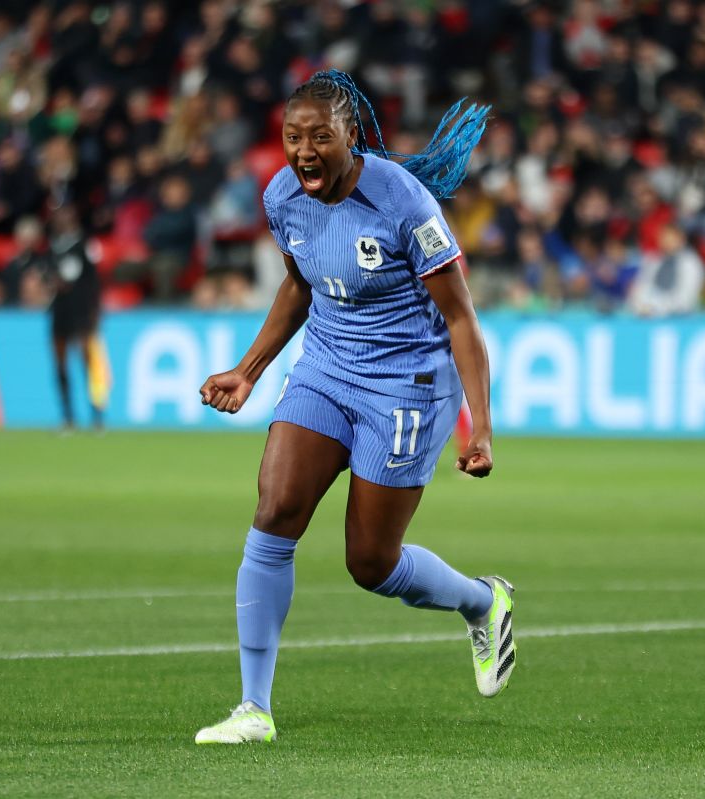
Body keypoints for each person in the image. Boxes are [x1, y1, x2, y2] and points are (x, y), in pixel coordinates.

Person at [194, 70, 515, 745]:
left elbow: (461, 318)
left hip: (406, 386)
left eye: (320, 137)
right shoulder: (283, 196)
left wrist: (479, 426)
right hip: (327, 368)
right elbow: (298, 285)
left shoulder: (404, 202)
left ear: (351, 137)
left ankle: (483, 600)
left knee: (370, 562)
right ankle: (254, 707)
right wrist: (249, 371)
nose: (303, 151)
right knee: (275, 510)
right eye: (292, 137)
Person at [47, 204, 107, 430]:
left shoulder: (84, 245)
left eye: (68, 215)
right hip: (60, 310)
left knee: (88, 363)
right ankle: (68, 416)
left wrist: (95, 310)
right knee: (61, 365)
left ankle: (97, 414)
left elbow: (93, 280)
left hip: (81, 309)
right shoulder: (53, 247)